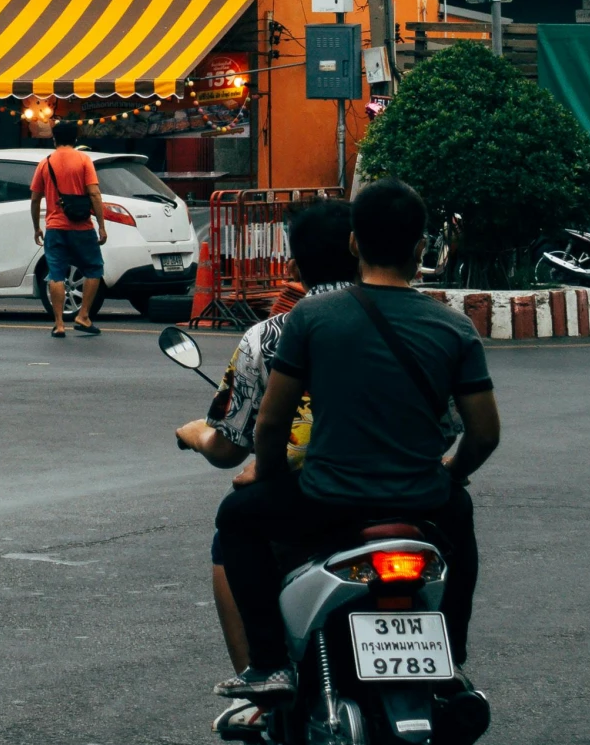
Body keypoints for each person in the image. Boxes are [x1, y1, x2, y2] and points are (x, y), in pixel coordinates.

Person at [214, 177, 500, 707]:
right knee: (461, 524)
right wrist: (448, 476)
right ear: (421, 249)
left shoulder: (312, 319)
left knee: (237, 519)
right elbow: (484, 433)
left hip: (328, 498)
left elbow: (271, 425)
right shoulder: (454, 328)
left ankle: (270, 665)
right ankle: (452, 660)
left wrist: (268, 473)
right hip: (422, 498)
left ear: (353, 244)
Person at [174, 198, 354, 728]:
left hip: (314, 494)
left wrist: (207, 441)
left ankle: (266, 670)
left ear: (294, 267)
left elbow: (244, 439)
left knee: (233, 524)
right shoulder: (420, 318)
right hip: (409, 492)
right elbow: (456, 429)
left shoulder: (273, 334)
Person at [29, 118, 107, 337]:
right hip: (82, 226)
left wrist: (36, 227)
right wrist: (101, 226)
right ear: (75, 139)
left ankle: (59, 323)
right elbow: (94, 193)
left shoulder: (45, 163)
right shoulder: (84, 160)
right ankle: (83, 316)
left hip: (54, 227)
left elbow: (35, 199)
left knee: (56, 275)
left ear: (54, 139)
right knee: (93, 269)